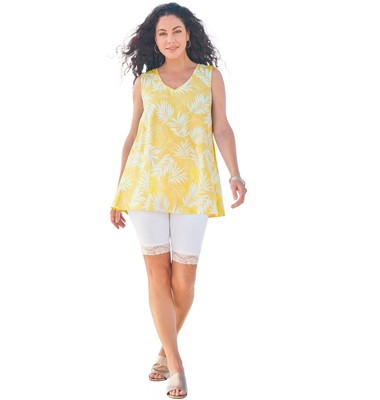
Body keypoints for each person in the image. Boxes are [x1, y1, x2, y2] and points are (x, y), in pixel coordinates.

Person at [109, 3, 247, 398]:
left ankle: (162, 351)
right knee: (157, 276)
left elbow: (222, 128)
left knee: (184, 280)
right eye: (162, 34)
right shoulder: (144, 82)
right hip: (145, 186)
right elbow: (133, 137)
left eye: (176, 31)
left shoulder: (209, 77)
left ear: (189, 34)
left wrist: (235, 173)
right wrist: (119, 191)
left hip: (193, 186)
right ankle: (176, 364)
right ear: (154, 41)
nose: (169, 39)